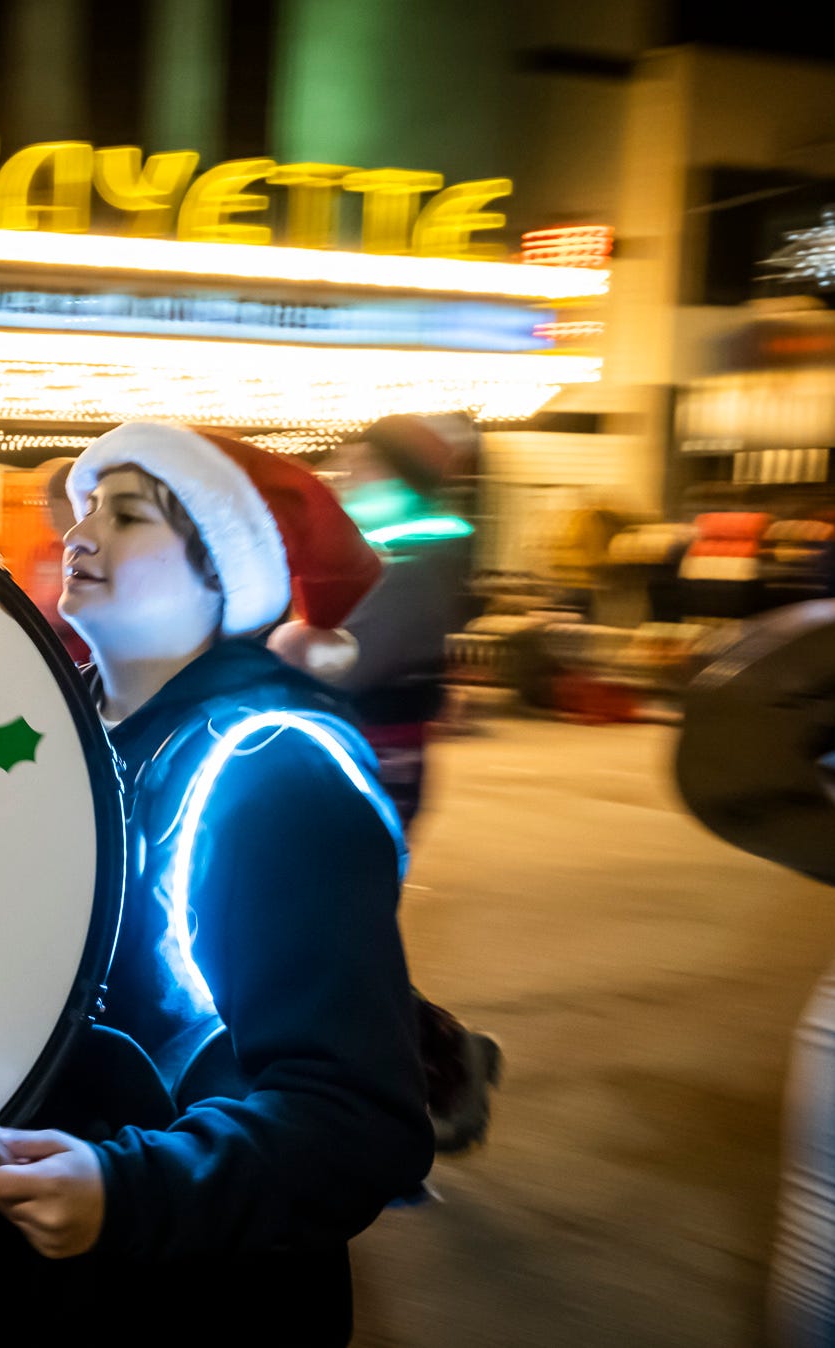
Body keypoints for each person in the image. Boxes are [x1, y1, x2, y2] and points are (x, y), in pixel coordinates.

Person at [0, 422, 433, 1344]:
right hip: (4, 1275)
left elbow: (355, 1119)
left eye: (129, 515)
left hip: (188, 1302)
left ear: (225, 573)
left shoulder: (274, 770)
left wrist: (126, 1191)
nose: (79, 537)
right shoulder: (57, 742)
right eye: (83, 512)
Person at [333, 414, 505, 1154]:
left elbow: (354, 660)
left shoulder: (423, 553)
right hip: (361, 758)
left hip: (379, 767)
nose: (347, 476)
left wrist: (286, 652)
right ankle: (433, 1061)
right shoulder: (389, 549)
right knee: (334, 937)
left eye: (360, 463)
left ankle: (442, 1062)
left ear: (397, 472)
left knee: (334, 937)